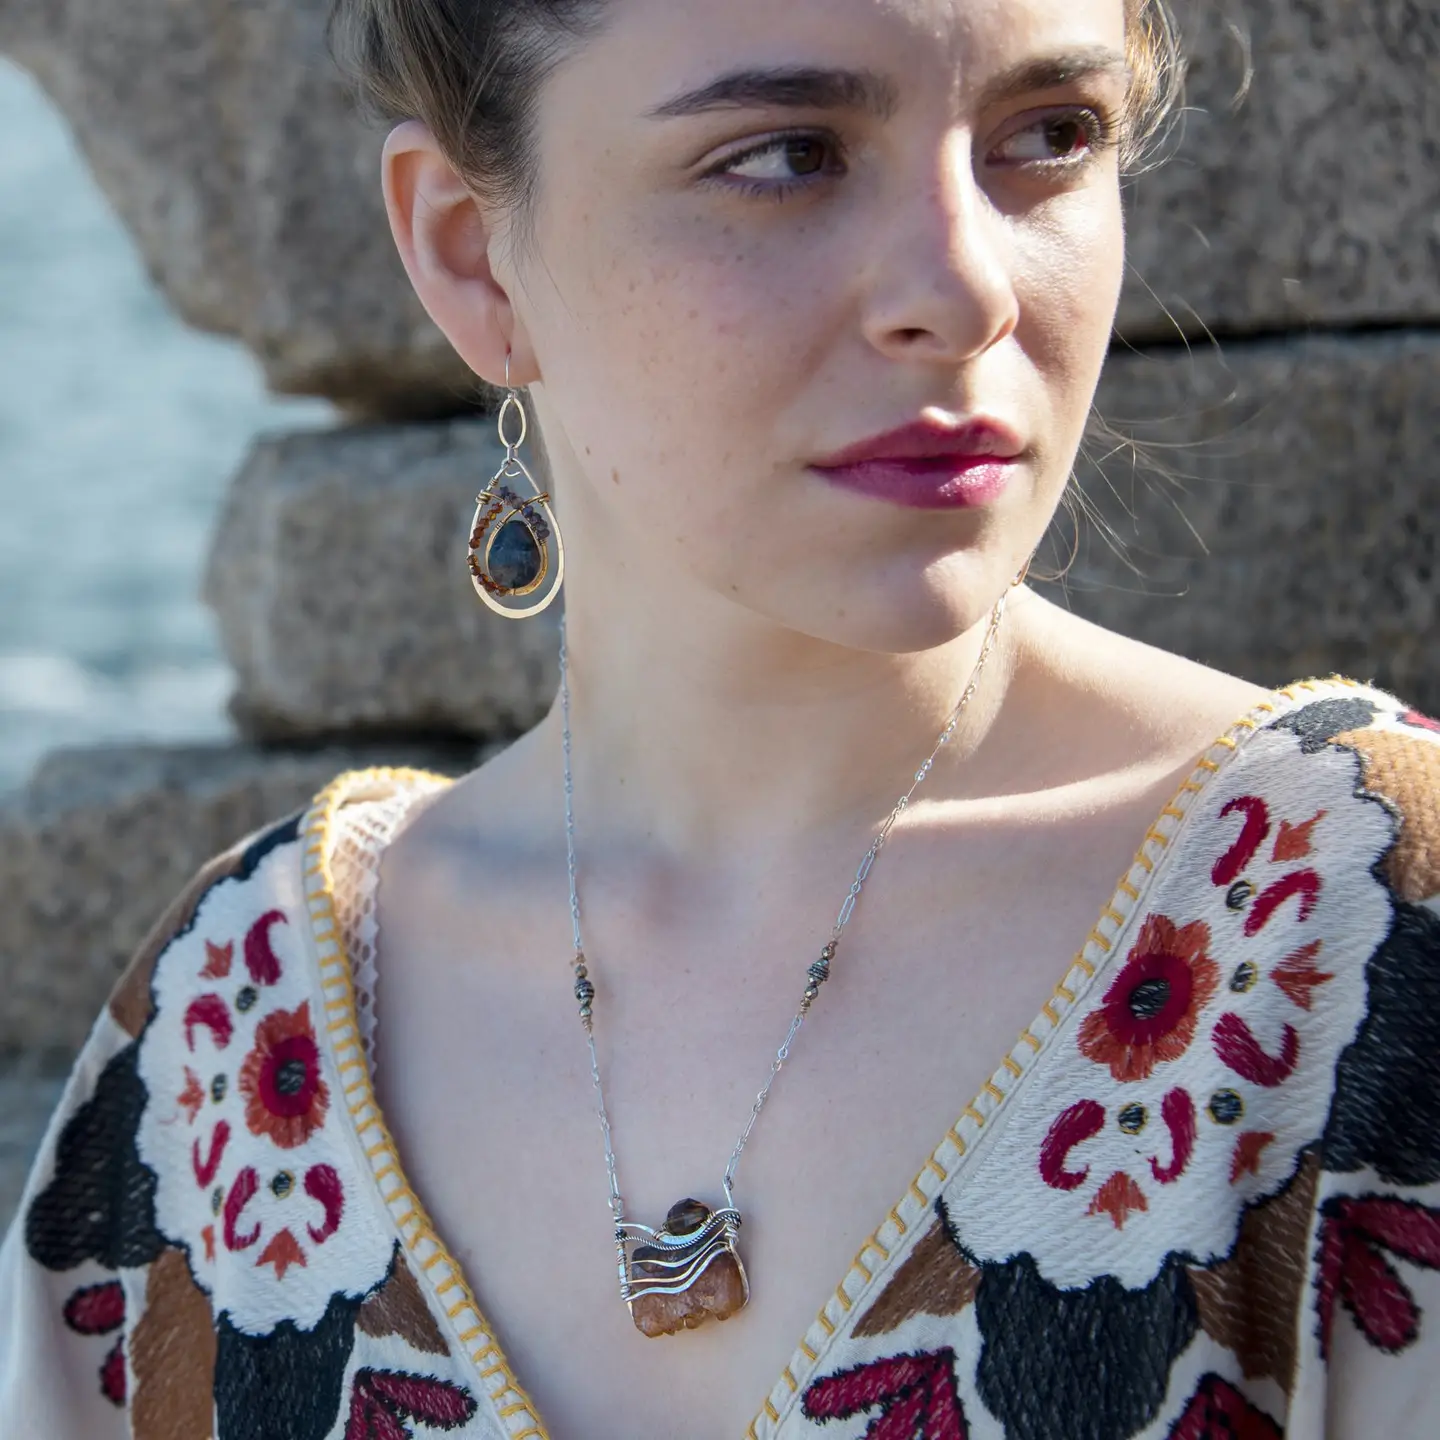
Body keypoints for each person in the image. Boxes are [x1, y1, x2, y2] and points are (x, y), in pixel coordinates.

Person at [3, 0, 1437, 1435]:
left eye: (1052, 136)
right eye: (788, 155)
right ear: (470, 251)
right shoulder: (228, 1034)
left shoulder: (1353, 935)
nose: (965, 290)